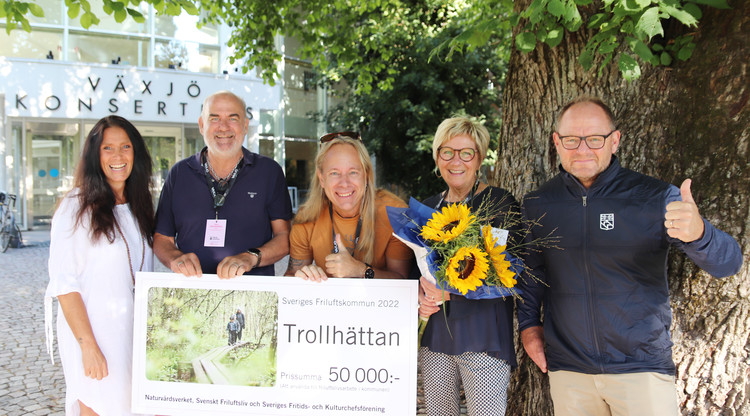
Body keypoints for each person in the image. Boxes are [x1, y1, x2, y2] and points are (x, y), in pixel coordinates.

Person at [518, 96, 743, 416]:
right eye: (571, 139)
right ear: (556, 141)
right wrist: (528, 327)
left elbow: (729, 264)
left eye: (595, 139)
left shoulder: (654, 197)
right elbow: (532, 274)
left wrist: (700, 234)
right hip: (570, 373)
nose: (582, 149)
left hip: (641, 370)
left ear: (615, 141)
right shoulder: (539, 203)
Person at [45, 116, 155, 415]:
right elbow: (65, 284)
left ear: (137, 154)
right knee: (98, 405)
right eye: (108, 148)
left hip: (131, 336)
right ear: (95, 155)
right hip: (96, 337)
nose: (118, 156)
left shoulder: (139, 207)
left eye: (125, 147)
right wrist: (88, 346)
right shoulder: (75, 206)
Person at [417, 116, 522, 416]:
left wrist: (448, 293)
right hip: (436, 336)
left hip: (484, 335)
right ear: (437, 158)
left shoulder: (499, 204)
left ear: (479, 158)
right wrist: (421, 297)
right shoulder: (427, 209)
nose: (456, 161)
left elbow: (508, 276)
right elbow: (418, 270)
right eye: (447, 152)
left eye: (466, 152)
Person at [154, 91, 293, 279]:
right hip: (192, 291)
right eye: (215, 118)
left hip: (253, 295)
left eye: (232, 118)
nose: (224, 127)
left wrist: (250, 257)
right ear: (202, 126)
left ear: (245, 125)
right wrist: (175, 258)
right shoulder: (179, 173)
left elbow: (284, 237)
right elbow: (162, 238)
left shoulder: (269, 172)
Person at [284, 132, 412, 280]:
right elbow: (291, 280)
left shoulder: (394, 213)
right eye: (334, 173)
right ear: (322, 179)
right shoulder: (307, 217)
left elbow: (403, 282)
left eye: (353, 172)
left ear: (367, 175)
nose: (344, 183)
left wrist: (361, 271)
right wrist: (304, 276)